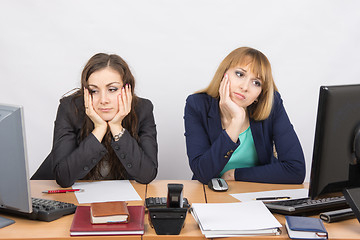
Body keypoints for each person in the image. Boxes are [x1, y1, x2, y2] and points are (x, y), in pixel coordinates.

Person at [184, 47, 305, 185]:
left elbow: (296, 170)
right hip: (210, 195)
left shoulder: (272, 104)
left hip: (255, 192)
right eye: (240, 74)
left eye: (256, 83)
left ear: (260, 94)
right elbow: (203, 173)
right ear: (224, 73)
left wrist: (235, 174)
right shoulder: (197, 105)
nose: (245, 87)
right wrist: (236, 121)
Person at [33, 53, 158, 187]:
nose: (103, 100)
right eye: (94, 91)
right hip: (55, 198)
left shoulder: (142, 109)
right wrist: (99, 129)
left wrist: (116, 127)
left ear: (128, 89)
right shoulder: (70, 109)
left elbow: (146, 175)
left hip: (115, 201)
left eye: (112, 89)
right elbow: (64, 177)